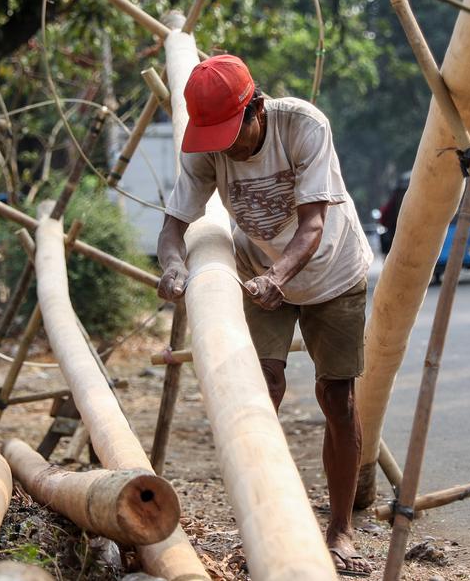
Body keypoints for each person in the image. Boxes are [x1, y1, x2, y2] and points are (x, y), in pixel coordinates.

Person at [156, 54, 374, 577]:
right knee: (261, 387)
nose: (229, 148)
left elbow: (313, 226)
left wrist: (280, 278)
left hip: (332, 274)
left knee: (337, 399)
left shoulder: (303, 125)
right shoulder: (209, 145)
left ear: (257, 106)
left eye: (236, 133)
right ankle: (267, 515)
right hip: (258, 271)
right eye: (218, 139)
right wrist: (171, 267)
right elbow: (172, 228)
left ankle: (340, 527)